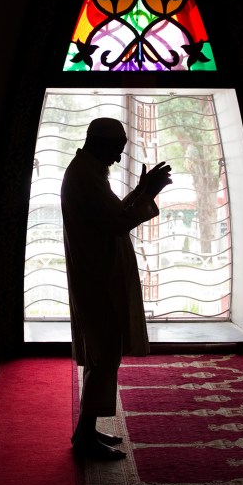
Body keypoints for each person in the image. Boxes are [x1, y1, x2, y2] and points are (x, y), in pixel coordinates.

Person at [61, 117, 172, 461]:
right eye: (117, 150)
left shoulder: (88, 171)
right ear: (102, 144)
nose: (119, 158)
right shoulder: (85, 176)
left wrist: (140, 192)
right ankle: (85, 439)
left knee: (102, 354)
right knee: (104, 354)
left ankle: (86, 431)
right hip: (97, 277)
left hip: (98, 273)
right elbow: (118, 222)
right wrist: (149, 193)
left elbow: (113, 213)